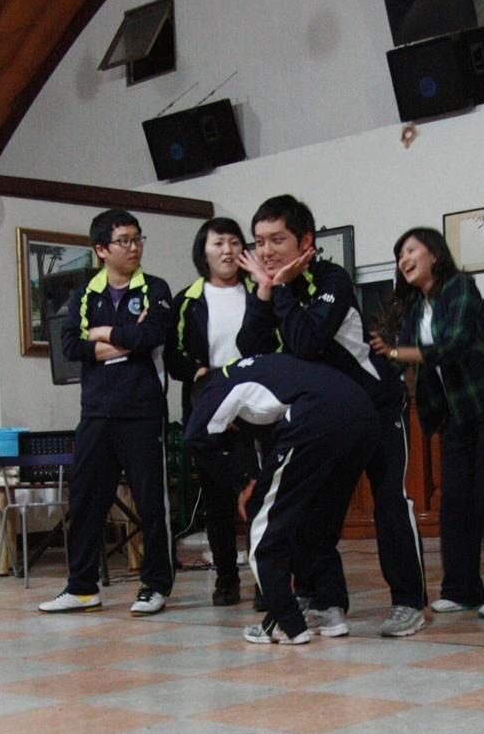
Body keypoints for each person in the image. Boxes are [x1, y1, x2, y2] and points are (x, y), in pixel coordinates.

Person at [236, 194, 427, 639]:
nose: (266, 251)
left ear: (305, 241)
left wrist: (280, 289)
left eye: (277, 240)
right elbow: (251, 350)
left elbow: (307, 339)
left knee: (390, 502)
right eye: (259, 242)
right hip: (334, 420)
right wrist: (264, 292)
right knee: (312, 507)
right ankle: (326, 602)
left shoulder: (332, 279)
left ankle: (408, 603)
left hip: (379, 407)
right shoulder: (270, 288)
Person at [371, 228, 484, 618]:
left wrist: (396, 352)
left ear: (435, 254)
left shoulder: (459, 287)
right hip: (459, 412)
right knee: (455, 503)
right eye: (399, 255)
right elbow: (398, 360)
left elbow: (452, 343)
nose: (404, 259)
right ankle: (462, 590)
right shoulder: (415, 307)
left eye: (411, 250)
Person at [185, 354, 380, 644]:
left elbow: (195, 436)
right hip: (362, 414)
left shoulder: (216, 385)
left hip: (317, 415)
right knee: (315, 515)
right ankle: (327, 608)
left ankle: (285, 623)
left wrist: (242, 484)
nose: (232, 429)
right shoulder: (259, 370)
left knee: (261, 521)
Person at [37, 208, 173, 616]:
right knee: (85, 502)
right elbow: (70, 346)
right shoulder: (85, 294)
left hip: (141, 411)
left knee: (151, 503)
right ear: (101, 249)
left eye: (137, 238)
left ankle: (154, 585)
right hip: (96, 413)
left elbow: (152, 335)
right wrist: (126, 340)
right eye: (123, 241)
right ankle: (82, 587)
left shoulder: (155, 288)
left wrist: (101, 333)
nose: (134, 247)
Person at [165, 216, 273, 607]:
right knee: (217, 499)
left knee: (260, 493)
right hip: (208, 403)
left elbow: (271, 342)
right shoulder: (187, 300)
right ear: (204, 252)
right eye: (218, 243)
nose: (227, 251)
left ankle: (266, 579)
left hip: (255, 403)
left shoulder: (259, 291)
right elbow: (174, 355)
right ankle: (226, 578)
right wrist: (201, 376)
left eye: (234, 242)